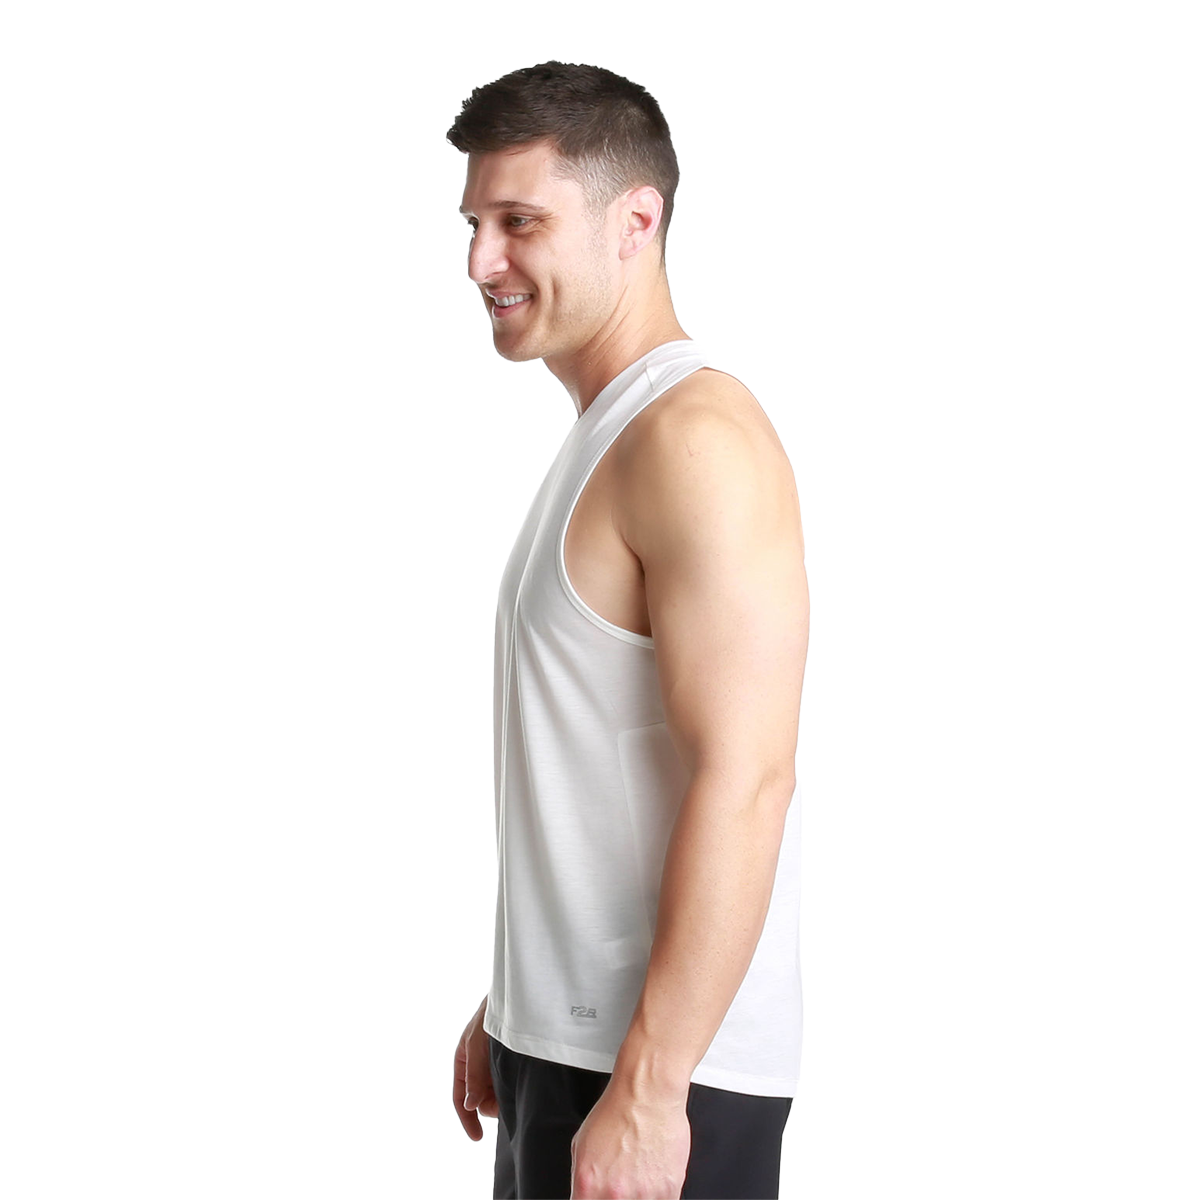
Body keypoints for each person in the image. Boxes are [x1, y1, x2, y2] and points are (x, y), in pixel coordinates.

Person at [446, 61, 809, 1200]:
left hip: (664, 1078)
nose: (482, 262)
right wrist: (517, 999)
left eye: (521, 223)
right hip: (571, 1050)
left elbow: (747, 778)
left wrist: (651, 1084)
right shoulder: (604, 436)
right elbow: (600, 764)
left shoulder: (693, 437)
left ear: (635, 222)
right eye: (473, 225)